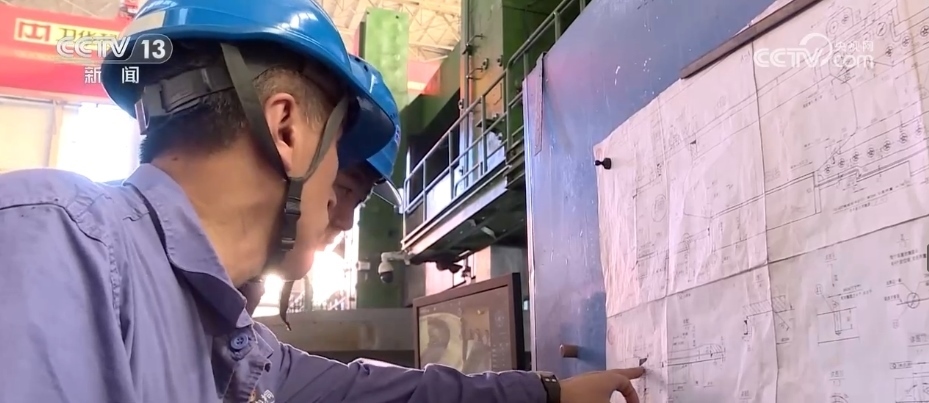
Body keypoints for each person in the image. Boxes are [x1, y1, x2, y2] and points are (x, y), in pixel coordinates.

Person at [0, 1, 644, 403]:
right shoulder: (56, 241)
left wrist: (549, 395)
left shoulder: (232, 341)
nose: (338, 200)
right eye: (338, 156)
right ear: (287, 130)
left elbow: (373, 392)